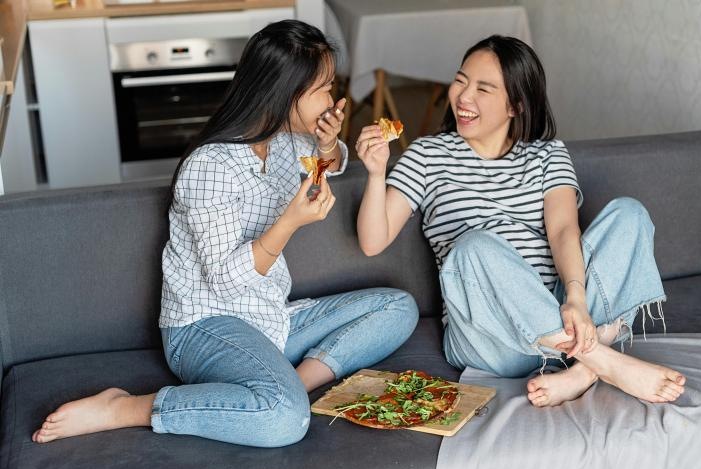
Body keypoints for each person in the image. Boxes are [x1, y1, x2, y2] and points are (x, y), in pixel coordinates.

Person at [32, 20, 418, 447]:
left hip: (270, 318)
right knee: (286, 419)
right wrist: (289, 222)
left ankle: (289, 380)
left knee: (397, 307)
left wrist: (328, 146)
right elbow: (227, 280)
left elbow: (336, 161)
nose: (333, 100)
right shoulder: (210, 166)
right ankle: (126, 407)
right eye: (324, 89)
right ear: (286, 94)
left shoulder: (289, 141)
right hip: (205, 325)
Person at [355, 35, 685, 407]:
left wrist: (575, 299)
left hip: (562, 317)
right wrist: (375, 172)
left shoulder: (548, 154)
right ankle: (604, 363)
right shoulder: (427, 155)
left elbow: (563, 230)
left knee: (629, 213)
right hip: (489, 338)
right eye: (461, 81)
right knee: (472, 247)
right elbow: (372, 241)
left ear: (516, 105)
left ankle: (579, 372)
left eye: (483, 89)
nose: (464, 97)